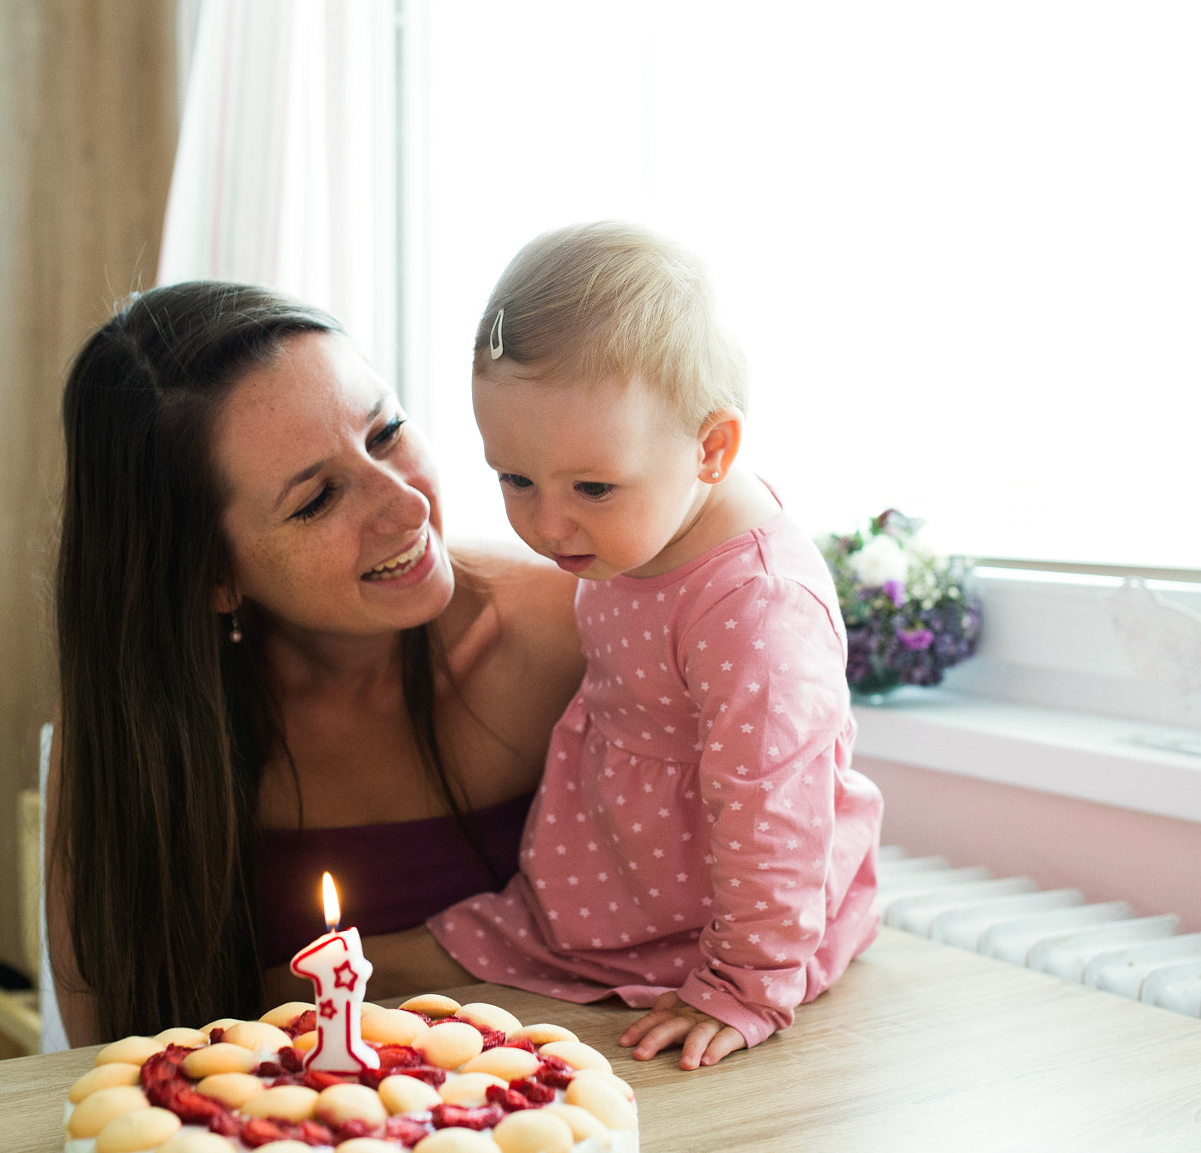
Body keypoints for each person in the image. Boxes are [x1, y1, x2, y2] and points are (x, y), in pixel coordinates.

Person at [45, 282, 579, 1046]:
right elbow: (112, 1049)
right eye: (318, 498)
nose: (406, 506)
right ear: (210, 576)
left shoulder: (573, 632)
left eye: (387, 430)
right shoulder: (135, 726)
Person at [428, 222, 884, 1070]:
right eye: (513, 478)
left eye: (592, 486)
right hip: (606, 884)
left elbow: (774, 810)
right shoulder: (629, 528)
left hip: (727, 925)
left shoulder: (757, 608)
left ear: (712, 449)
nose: (547, 522)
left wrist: (745, 980)